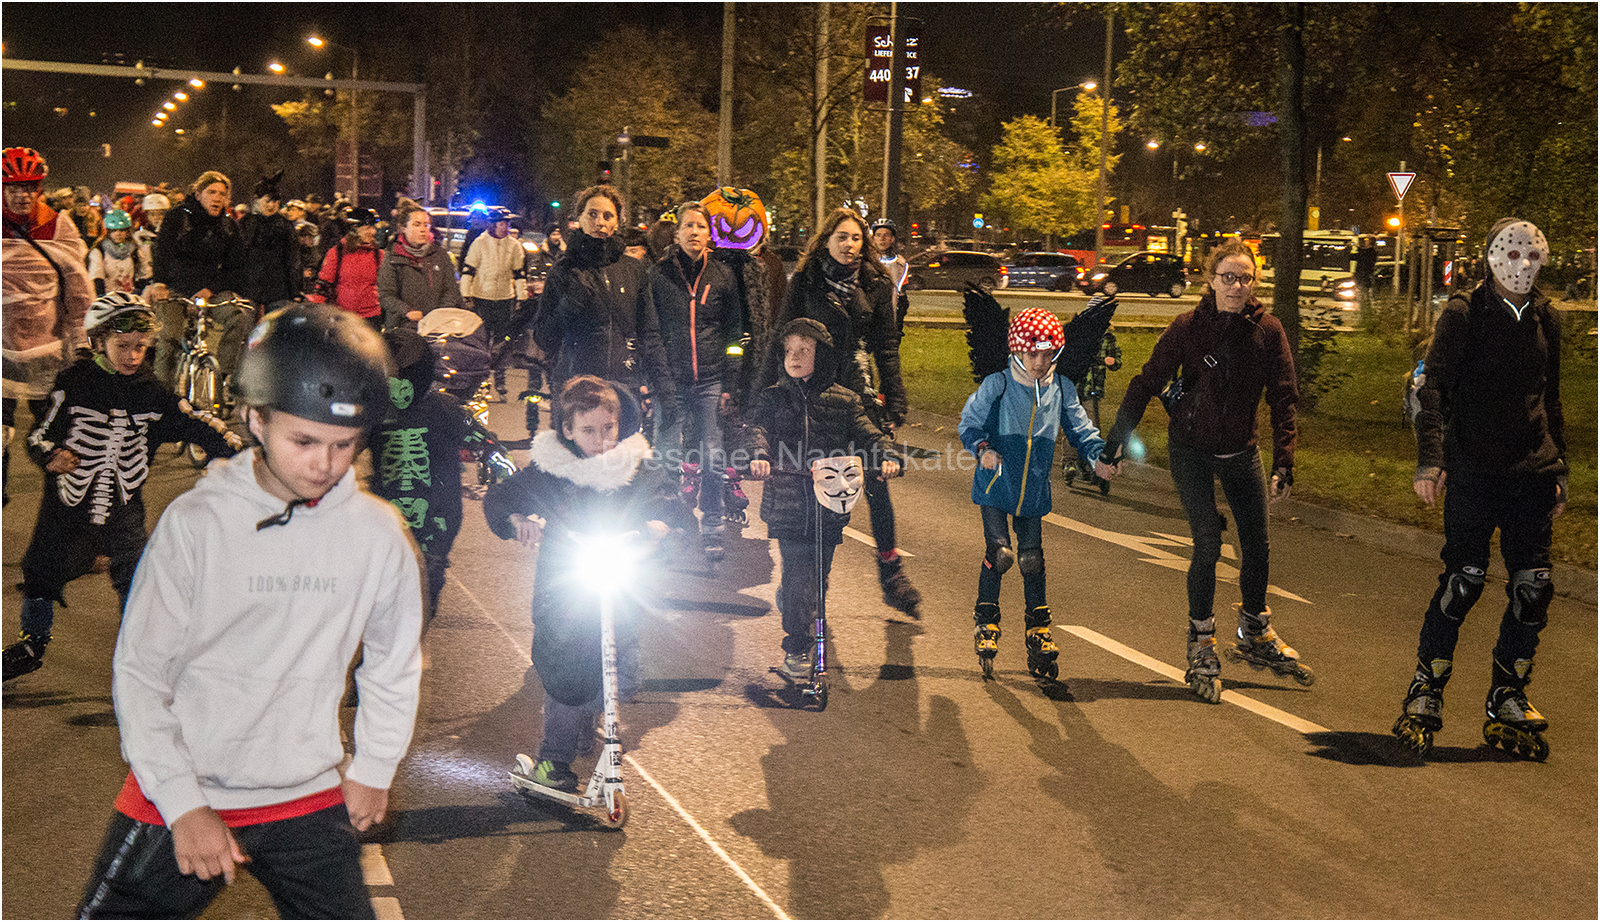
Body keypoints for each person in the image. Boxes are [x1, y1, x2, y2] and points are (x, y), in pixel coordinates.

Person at [75, 303, 422, 918]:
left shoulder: (377, 533)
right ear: (255, 418)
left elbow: (393, 662)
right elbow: (140, 672)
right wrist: (183, 805)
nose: (324, 464)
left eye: (344, 444)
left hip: (308, 794)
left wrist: (374, 767)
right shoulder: (197, 524)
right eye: (304, 441)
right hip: (187, 791)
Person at [1392, 219, 1567, 760]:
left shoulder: (1547, 319)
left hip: (1531, 473)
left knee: (1533, 587)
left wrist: (1560, 468)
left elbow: (1550, 397)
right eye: (1511, 256)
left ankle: (1508, 695)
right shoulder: (1464, 314)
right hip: (1474, 470)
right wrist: (1431, 461)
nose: (1522, 266)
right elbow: (1433, 388)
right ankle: (1426, 688)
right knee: (1464, 581)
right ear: (1490, 259)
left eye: (1532, 257)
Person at [1103, 239, 1305, 703]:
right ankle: (1200, 640)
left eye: (1245, 278)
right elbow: (1146, 382)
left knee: (1257, 545)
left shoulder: (1268, 331)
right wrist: (1115, 443)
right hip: (1191, 450)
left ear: (1254, 283)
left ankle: (1254, 629)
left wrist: (1284, 461)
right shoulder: (1187, 328)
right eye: (1227, 277)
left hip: (1241, 452)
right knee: (1208, 543)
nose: (1236, 286)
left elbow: (1284, 399)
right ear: (1210, 280)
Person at [3, 293, 241, 681]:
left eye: (140, 347)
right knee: (41, 569)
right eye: (123, 346)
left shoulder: (153, 393)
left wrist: (241, 452)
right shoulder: (74, 383)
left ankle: (143, 655)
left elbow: (197, 422)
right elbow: (40, 434)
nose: (132, 356)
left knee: (136, 580)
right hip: (68, 508)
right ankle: (33, 642)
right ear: (99, 341)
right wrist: (50, 455)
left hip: (123, 510)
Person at [484, 375, 690, 792]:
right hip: (566, 589)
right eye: (589, 430)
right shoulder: (552, 470)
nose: (600, 440)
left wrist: (660, 526)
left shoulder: (636, 467)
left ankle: (586, 716)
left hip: (620, 584)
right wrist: (516, 519)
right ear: (568, 430)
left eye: (608, 428)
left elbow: (672, 504)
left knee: (622, 672)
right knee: (568, 675)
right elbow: (502, 498)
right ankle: (553, 761)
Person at [761, 207, 921, 618]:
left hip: (858, 389)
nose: (849, 245)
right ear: (827, 240)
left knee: (876, 477)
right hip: (815, 389)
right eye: (842, 237)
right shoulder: (806, 280)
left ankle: (891, 571)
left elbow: (886, 346)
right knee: (816, 481)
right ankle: (807, 580)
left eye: (856, 238)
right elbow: (781, 336)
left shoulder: (876, 283)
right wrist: (764, 393)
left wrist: (895, 397)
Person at [958, 308, 1115, 680]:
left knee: (1032, 559)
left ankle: (1039, 628)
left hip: (1033, 489)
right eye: (1033, 354)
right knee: (1001, 554)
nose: (1040, 362)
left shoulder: (1061, 387)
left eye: (1048, 355)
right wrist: (982, 449)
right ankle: (986, 617)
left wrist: (1098, 457)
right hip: (996, 485)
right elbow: (969, 422)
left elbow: (1081, 429)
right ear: (1016, 350)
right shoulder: (998, 384)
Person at [741, 318, 900, 677]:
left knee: (817, 578)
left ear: (823, 355)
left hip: (830, 502)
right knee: (799, 576)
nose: (795, 357)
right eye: (789, 350)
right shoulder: (773, 398)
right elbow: (757, 430)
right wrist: (758, 456)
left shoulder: (845, 400)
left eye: (805, 350)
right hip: (788, 501)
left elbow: (870, 435)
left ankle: (798, 604)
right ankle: (797, 647)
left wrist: (886, 457)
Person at [534, 185, 675, 429]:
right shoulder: (564, 270)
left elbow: (649, 335)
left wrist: (664, 388)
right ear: (579, 219)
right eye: (592, 214)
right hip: (576, 389)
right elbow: (544, 338)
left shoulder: (634, 270)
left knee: (621, 454)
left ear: (617, 222)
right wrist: (570, 304)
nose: (600, 222)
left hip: (623, 388)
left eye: (608, 216)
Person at [649, 201, 743, 555]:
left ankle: (713, 521)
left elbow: (734, 333)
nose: (694, 232)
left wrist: (731, 382)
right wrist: (652, 379)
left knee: (713, 454)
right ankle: (667, 522)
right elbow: (650, 331)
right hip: (669, 380)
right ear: (676, 234)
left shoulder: (722, 276)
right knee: (666, 455)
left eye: (701, 226)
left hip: (710, 379)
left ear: (709, 235)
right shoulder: (657, 276)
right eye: (688, 226)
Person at [2, 147, 95, 507]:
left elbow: (79, 291)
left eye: (29, 187)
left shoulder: (58, 226)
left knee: (57, 441)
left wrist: (83, 343)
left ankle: (63, 516)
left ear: (39, 188)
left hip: (48, 351)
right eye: (13, 187)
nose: (22, 195)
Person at [372, 328, 466, 622]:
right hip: (385, 518)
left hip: (435, 518)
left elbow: (482, 440)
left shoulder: (443, 409)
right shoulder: (374, 412)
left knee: (426, 587)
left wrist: (509, 471)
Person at [149, 170, 250, 389]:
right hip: (175, 289)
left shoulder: (228, 226)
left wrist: (210, 289)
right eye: (212, 192)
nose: (217, 198)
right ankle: (159, 393)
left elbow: (236, 266)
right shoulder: (177, 217)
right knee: (169, 341)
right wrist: (159, 283)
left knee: (238, 317)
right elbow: (162, 252)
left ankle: (223, 378)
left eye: (222, 194)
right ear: (198, 194)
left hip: (209, 292)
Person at [459, 206, 526, 399]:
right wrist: (466, 295)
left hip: (505, 298)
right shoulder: (479, 243)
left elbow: (519, 273)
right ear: (492, 225)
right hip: (482, 297)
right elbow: (468, 270)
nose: (506, 227)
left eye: (507, 224)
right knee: (482, 340)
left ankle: (500, 376)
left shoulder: (514, 245)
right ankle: (481, 378)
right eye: (501, 224)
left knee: (503, 341)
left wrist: (521, 297)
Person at [378, 200, 461, 332]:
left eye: (426, 224)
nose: (423, 229)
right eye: (417, 224)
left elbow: (451, 289)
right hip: (402, 327)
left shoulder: (440, 255)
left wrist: (439, 313)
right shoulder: (393, 257)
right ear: (404, 228)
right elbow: (386, 295)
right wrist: (407, 311)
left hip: (435, 327)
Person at [312, 206, 385, 331]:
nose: (373, 231)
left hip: (371, 318)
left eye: (373, 227)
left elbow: (386, 287)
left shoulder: (379, 255)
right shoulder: (336, 253)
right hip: (343, 318)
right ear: (353, 230)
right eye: (367, 228)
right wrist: (316, 313)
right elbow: (324, 285)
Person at [238, 171, 302, 310]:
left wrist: (295, 290)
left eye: (275, 201)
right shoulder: (246, 223)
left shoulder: (285, 225)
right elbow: (238, 255)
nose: (271, 205)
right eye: (267, 201)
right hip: (249, 288)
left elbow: (293, 259)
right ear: (257, 200)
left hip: (278, 289)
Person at [86, 209, 148, 297]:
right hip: (107, 299)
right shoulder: (99, 251)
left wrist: (138, 293)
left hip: (129, 299)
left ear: (127, 231)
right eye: (114, 230)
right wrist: (103, 299)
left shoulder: (135, 250)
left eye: (122, 230)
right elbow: (96, 277)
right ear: (108, 231)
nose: (118, 233)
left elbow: (144, 275)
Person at [870, 217, 912, 331]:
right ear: (873, 238)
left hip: (891, 319)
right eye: (878, 235)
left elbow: (902, 297)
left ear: (892, 239)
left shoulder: (900, 264)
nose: (882, 239)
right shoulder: (866, 261)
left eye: (886, 235)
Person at [133, 192, 169, 287]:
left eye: (160, 214)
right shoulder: (139, 236)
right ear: (147, 216)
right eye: (152, 215)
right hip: (145, 280)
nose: (157, 218)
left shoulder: (173, 235)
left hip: (167, 280)